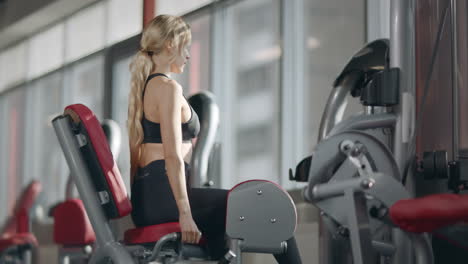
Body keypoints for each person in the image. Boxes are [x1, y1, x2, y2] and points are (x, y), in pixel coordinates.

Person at [127, 14, 302, 263]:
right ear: (170, 45)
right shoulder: (167, 88)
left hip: (148, 201)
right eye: (185, 47)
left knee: (224, 223)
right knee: (268, 205)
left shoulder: (144, 89)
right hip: (165, 199)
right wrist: (184, 213)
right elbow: (172, 156)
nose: (188, 55)